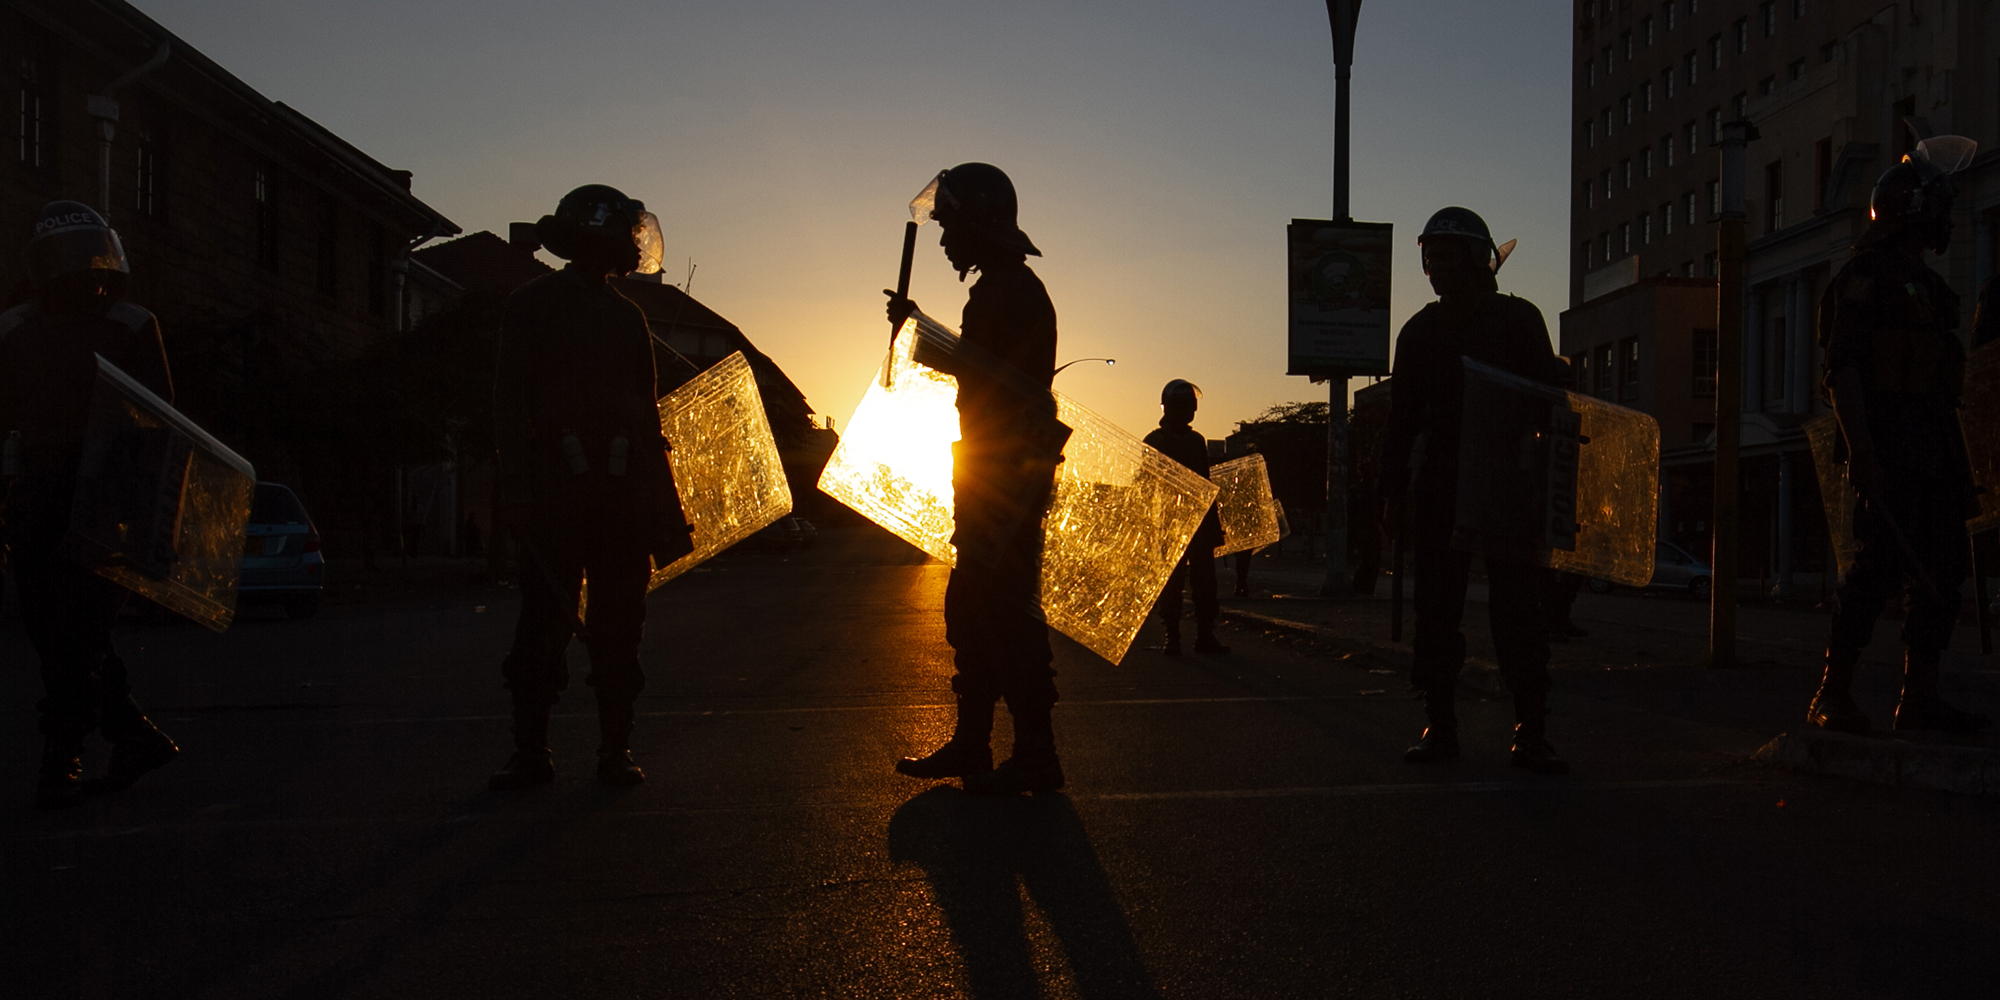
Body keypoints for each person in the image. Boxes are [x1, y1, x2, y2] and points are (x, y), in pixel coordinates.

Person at [488, 184, 693, 790]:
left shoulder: (627, 317)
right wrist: (520, 494)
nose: (635, 247)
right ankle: (532, 753)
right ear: (599, 237)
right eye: (626, 236)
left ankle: (614, 750)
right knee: (543, 625)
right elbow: (510, 407)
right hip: (557, 495)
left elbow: (646, 418)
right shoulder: (532, 307)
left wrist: (662, 508)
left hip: (620, 498)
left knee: (619, 627)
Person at [888, 162, 1068, 795]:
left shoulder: (1011, 290)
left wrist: (921, 335)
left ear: (977, 224)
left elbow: (999, 378)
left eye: (949, 226)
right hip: (990, 466)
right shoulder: (998, 288)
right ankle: (979, 744)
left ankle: (1032, 753)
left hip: (1007, 473)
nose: (941, 241)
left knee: (1004, 609)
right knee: (980, 607)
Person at [1377, 206, 1570, 774]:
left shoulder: (1518, 320)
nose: (1435, 268)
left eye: (1445, 256)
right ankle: (1441, 725)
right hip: (1442, 479)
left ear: (1476, 259)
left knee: (1518, 609)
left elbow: (1546, 399)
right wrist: (1391, 490)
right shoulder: (1419, 331)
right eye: (1428, 258)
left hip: (1509, 477)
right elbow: (1402, 417)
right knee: (1436, 609)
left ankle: (1530, 731)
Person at [0, 202, 179, 808]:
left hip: (106, 493)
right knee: (57, 632)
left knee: (78, 634)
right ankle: (132, 737)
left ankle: (61, 760)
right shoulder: (14, 329)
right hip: (41, 491)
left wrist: (156, 521)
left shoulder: (129, 324)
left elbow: (159, 429)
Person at [1810, 137, 1992, 736]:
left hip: (1936, 450)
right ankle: (1832, 692)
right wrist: (1862, 451)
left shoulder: (1931, 289)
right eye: (1935, 207)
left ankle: (1920, 697)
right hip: (1890, 448)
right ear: (1911, 209)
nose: (1943, 220)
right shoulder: (1865, 278)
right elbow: (1844, 371)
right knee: (1876, 570)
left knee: (1941, 573)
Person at [1145, 379, 1228, 654]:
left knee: (1201, 585)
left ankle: (1195, 636)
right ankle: (1176, 636)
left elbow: (1205, 485)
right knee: (1176, 584)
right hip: (1171, 523)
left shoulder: (1193, 441)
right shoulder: (1158, 441)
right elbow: (1146, 488)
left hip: (1192, 524)